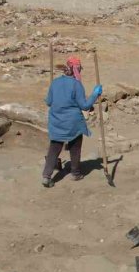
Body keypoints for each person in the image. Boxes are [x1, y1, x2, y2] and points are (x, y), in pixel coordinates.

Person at [41, 56, 103, 187]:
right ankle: (75, 173)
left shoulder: (55, 82)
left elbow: (49, 102)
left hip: (56, 122)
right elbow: (85, 106)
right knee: (75, 146)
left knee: (54, 148)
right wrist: (95, 94)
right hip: (72, 123)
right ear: (77, 69)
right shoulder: (76, 85)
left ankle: (46, 176)